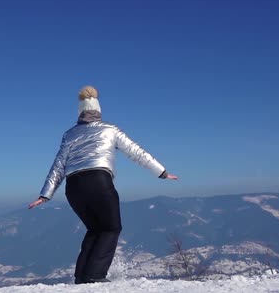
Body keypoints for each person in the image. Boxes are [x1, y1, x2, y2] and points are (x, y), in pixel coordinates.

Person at [28, 85, 178, 284]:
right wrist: (161, 172)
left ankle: (81, 277)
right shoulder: (110, 129)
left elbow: (58, 165)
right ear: (98, 111)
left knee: (95, 228)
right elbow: (136, 152)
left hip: (73, 187)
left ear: (80, 113)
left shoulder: (69, 135)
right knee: (110, 228)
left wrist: (45, 194)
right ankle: (95, 276)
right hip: (98, 182)